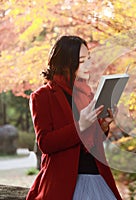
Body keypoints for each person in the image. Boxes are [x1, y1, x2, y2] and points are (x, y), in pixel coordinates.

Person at [26, 35, 122, 200]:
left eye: (89, 59)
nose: (88, 65)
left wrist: (104, 126)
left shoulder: (89, 94)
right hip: (63, 184)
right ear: (65, 63)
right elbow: (45, 143)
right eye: (82, 60)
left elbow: (91, 143)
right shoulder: (42, 96)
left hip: (97, 177)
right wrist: (81, 125)